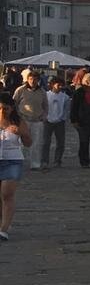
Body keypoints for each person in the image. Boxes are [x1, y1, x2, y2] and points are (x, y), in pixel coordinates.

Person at [0, 99, 31, 242]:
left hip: (13, 160)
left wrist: (21, 133)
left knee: (7, 194)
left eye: (5, 108)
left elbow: (28, 143)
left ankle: (4, 229)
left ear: (12, 108)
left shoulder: (18, 121)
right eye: (0, 108)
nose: (2, 111)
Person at [12, 72, 46, 169]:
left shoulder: (42, 91)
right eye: (31, 79)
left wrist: (44, 116)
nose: (33, 81)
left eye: (35, 79)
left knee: (36, 143)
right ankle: (19, 163)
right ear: (27, 79)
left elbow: (45, 105)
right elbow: (14, 103)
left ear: (38, 80)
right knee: (21, 143)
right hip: (23, 120)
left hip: (37, 120)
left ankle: (35, 164)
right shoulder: (20, 90)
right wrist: (16, 117)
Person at [41, 77, 69, 168]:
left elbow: (66, 109)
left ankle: (58, 160)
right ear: (53, 85)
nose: (60, 86)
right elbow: (43, 107)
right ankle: (45, 160)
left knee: (60, 142)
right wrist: (45, 117)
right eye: (58, 84)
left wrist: (63, 118)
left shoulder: (65, 97)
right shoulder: (46, 95)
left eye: (61, 85)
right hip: (48, 121)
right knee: (46, 142)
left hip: (59, 122)